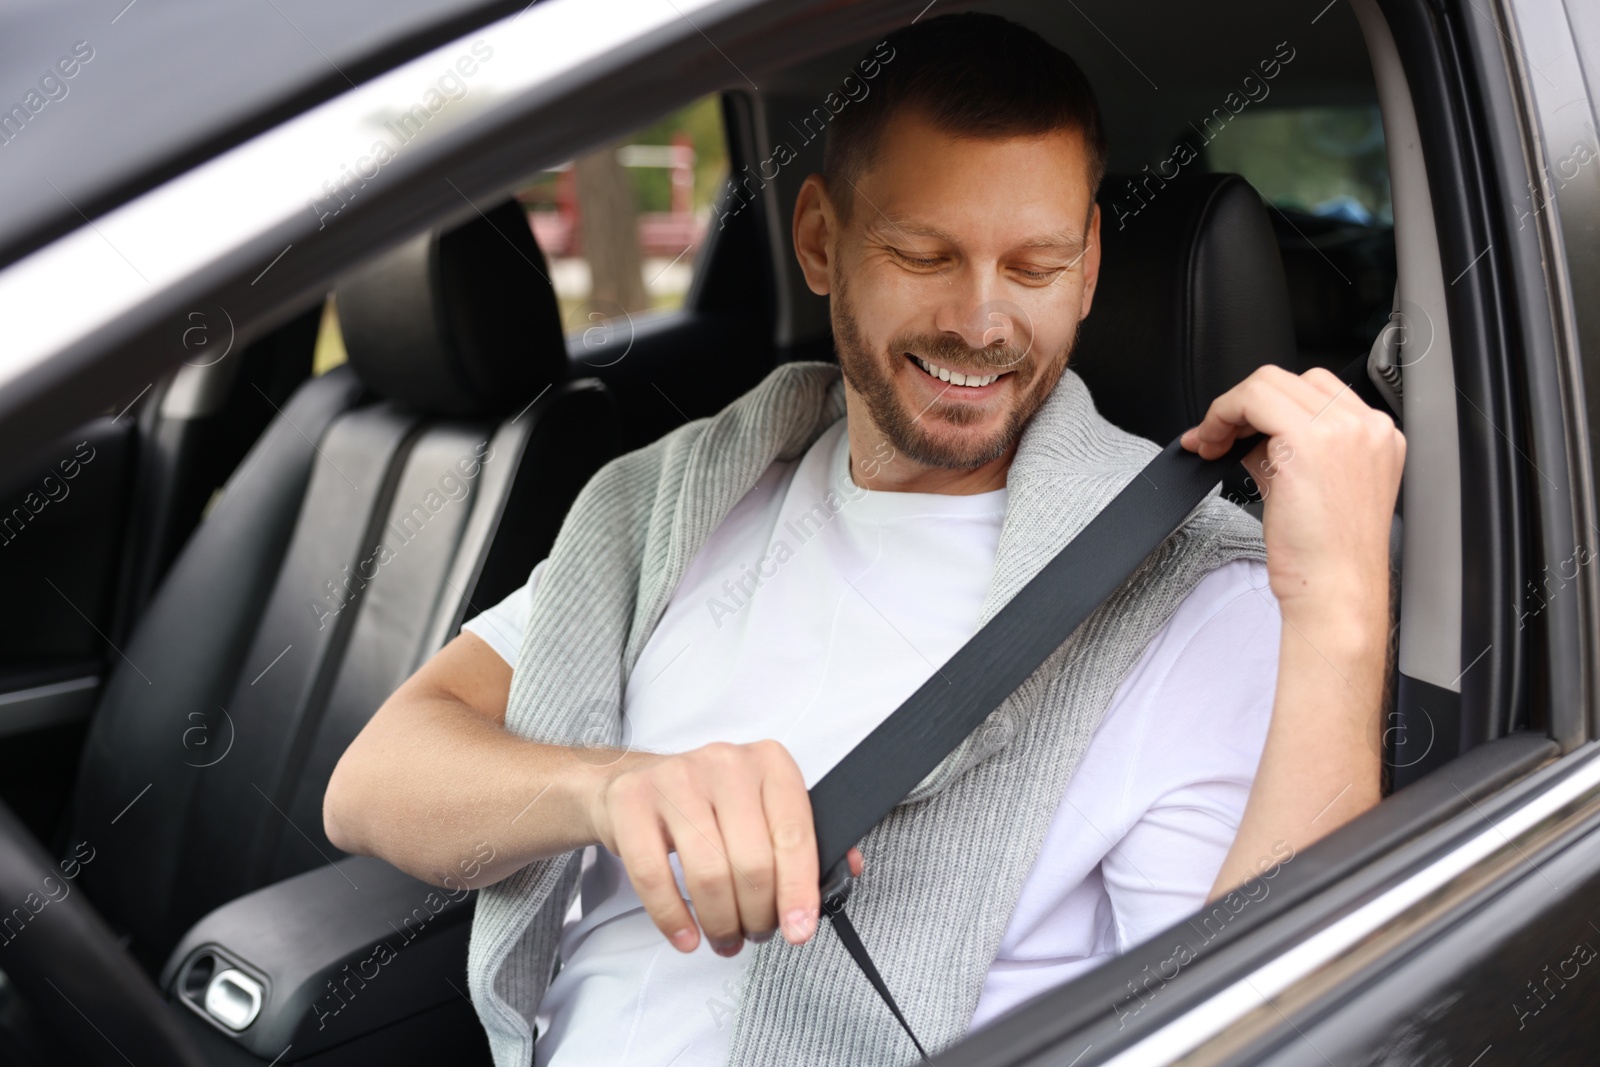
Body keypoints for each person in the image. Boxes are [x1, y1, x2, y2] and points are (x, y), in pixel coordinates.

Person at [322, 12, 1404, 1067]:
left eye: (1032, 268)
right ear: (819, 241)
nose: (981, 322)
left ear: (1086, 270)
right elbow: (375, 780)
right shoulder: (667, 500)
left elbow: (1272, 1023)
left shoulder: (1193, 600)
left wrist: (1344, 611)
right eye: (925, 253)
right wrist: (609, 791)